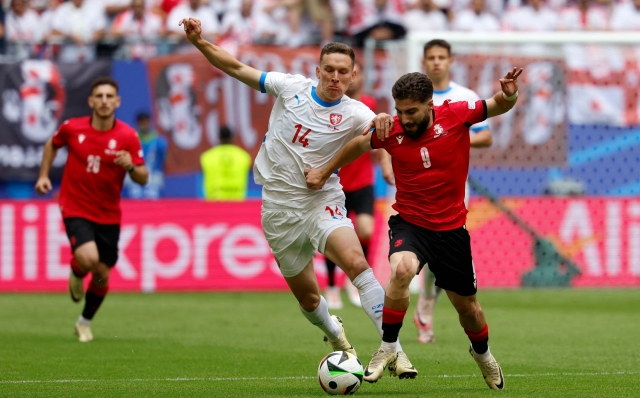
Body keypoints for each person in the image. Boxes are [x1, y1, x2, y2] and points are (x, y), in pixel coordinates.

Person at [179, 17, 417, 378]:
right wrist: (200, 42)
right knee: (308, 300)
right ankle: (336, 334)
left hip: (322, 200)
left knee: (357, 264)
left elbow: (377, 132)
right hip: (278, 208)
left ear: (353, 77)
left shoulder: (356, 112)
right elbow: (235, 66)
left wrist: (384, 127)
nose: (336, 78)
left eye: (343, 72)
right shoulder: (290, 87)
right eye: (330, 70)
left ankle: (395, 352)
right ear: (318, 70)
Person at [306, 68, 522, 387]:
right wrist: (324, 171)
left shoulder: (458, 114)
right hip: (410, 223)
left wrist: (509, 94)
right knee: (403, 270)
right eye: (399, 111)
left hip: (451, 231)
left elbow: (499, 105)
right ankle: (389, 347)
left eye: (412, 111)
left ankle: (483, 355)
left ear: (430, 104)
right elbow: (358, 145)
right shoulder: (391, 130)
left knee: (469, 310)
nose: (404, 118)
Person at [35, 77, 148, 342]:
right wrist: (43, 176)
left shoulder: (127, 136)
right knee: (88, 259)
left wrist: (131, 165)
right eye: (100, 96)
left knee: (101, 274)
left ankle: (83, 322)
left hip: (108, 213)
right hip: (75, 204)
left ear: (118, 102)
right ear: (91, 101)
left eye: (110, 97)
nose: (105, 101)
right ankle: (77, 271)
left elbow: (143, 177)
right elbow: (52, 144)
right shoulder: (72, 129)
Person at [409, 38, 494, 344]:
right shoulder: (414, 96)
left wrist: (449, 139)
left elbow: (486, 137)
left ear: (450, 61)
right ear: (423, 61)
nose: (436, 62)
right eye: (430, 57)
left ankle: (428, 301)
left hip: (454, 191)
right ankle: (426, 307)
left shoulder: (464, 96)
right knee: (425, 252)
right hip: (416, 188)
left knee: (443, 256)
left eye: (441, 57)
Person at [324, 60, 375, 310]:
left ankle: (355, 281)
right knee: (333, 236)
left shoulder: (370, 106)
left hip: (363, 180)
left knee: (365, 230)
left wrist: (386, 166)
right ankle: (332, 285)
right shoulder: (331, 105)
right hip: (337, 181)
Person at [123, 112, 168, 199]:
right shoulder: (131, 140)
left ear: (150, 122)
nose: (143, 124)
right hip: (134, 177)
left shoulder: (159, 142)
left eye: (145, 121)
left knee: (153, 194)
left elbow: (164, 159)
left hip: (153, 177)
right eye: (141, 122)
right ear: (137, 123)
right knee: (134, 192)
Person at [200, 125, 252, 201]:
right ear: (232, 137)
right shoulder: (243, 156)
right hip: (237, 203)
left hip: (214, 203)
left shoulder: (207, 157)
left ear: (219, 137)